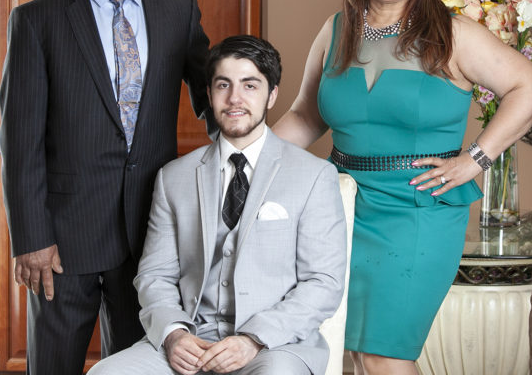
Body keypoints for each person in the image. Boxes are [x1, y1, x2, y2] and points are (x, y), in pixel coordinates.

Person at [273, 0, 532, 375]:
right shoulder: (336, 30)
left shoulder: (453, 34)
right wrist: (243, 160)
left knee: (384, 355)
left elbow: (529, 85)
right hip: (339, 208)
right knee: (351, 354)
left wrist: (475, 160)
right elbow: (305, 117)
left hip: (418, 209)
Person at [0, 0, 215, 375]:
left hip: (152, 234)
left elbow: (216, 98)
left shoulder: (178, 9)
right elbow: (19, 139)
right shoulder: (36, 20)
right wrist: (31, 236)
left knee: (138, 367)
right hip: (62, 240)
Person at [88, 35, 347, 375]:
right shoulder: (173, 177)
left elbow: (323, 283)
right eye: (223, 85)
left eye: (250, 85)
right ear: (209, 95)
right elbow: (155, 276)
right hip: (193, 339)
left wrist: (252, 339)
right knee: (105, 373)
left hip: (274, 345)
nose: (234, 98)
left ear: (272, 95)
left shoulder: (314, 176)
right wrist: (173, 335)